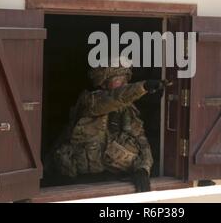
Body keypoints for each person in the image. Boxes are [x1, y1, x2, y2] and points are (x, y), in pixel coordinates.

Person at [49, 62, 166, 192]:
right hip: (83, 180)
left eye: (126, 80)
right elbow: (114, 98)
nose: (124, 85)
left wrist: (143, 169)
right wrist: (142, 87)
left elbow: (142, 142)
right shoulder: (91, 101)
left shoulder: (128, 111)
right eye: (118, 80)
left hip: (115, 178)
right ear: (103, 83)